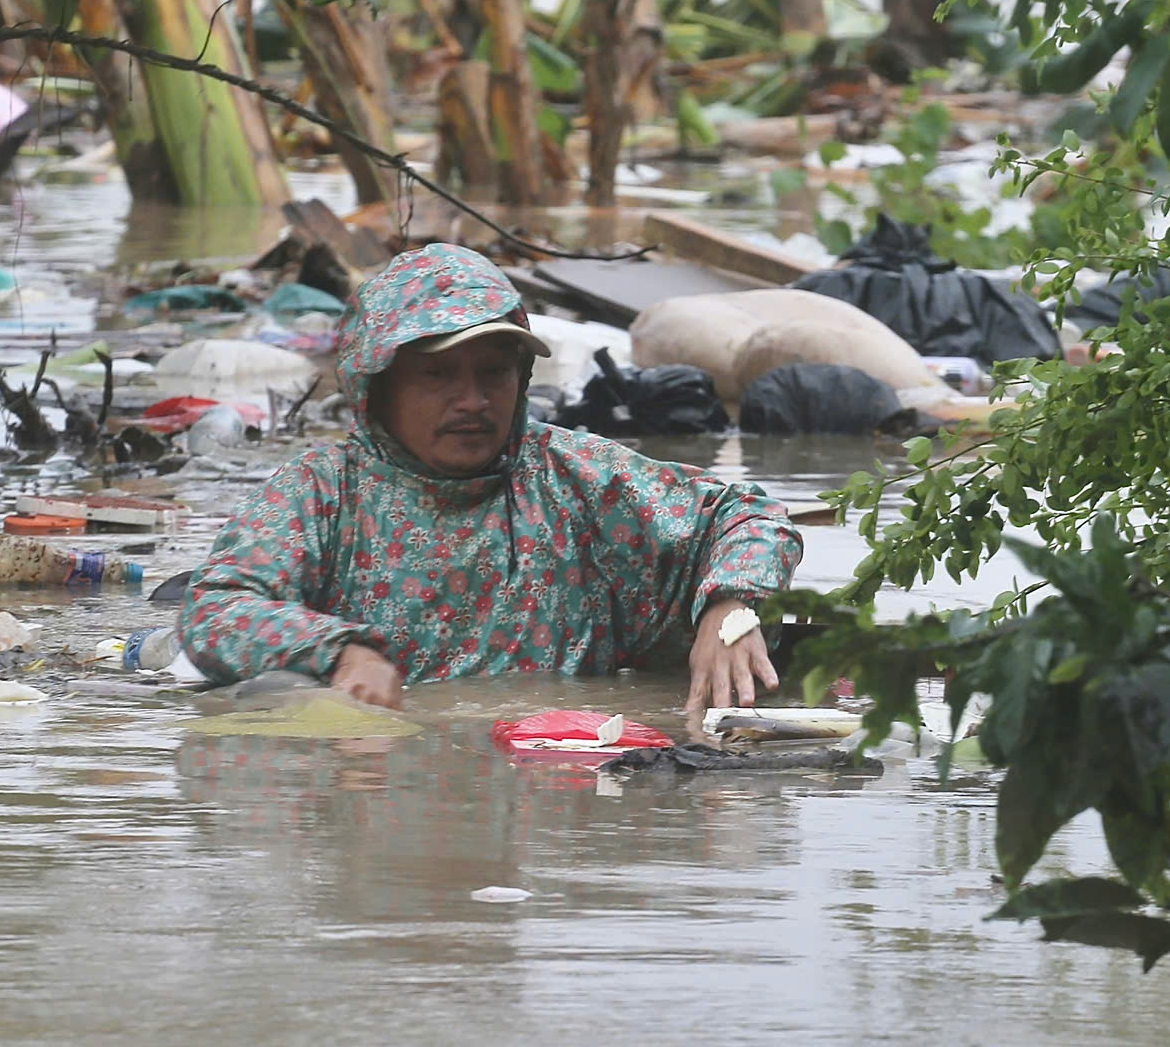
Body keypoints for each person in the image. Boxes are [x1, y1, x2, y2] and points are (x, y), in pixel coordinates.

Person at [176, 244, 803, 723]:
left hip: (544, 776)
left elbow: (747, 513)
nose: (472, 401)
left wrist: (729, 608)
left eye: (494, 373)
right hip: (375, 778)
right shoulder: (322, 492)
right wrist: (340, 653)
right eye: (439, 375)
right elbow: (214, 611)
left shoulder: (575, 476)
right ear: (378, 387)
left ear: (523, 379)